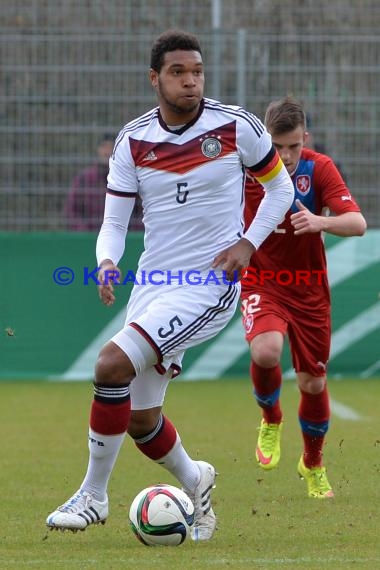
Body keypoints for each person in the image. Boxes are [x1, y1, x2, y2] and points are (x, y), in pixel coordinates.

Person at [46, 30, 294, 540]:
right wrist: (108, 261)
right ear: (155, 78)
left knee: (110, 363)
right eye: (179, 72)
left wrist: (247, 243)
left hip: (210, 285)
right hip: (154, 286)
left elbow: (279, 189)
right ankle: (194, 478)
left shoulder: (235, 125)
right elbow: (114, 221)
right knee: (140, 421)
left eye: (197, 71)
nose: (191, 81)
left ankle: (93, 496)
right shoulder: (133, 140)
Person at [241, 95, 366, 498]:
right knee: (265, 351)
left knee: (313, 383)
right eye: (278, 147)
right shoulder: (243, 170)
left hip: (309, 288)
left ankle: (312, 463)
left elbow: (358, 223)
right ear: (264, 140)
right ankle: (271, 418)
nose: (287, 155)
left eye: (294, 145)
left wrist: (319, 221)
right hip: (262, 280)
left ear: (304, 138)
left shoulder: (318, 167)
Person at [64, 133, 144, 231]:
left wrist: (131, 232)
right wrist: (84, 232)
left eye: (111, 147)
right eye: (104, 147)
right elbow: (71, 211)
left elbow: (142, 210)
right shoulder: (83, 179)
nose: (107, 151)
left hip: (123, 236)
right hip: (88, 237)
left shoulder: (130, 177)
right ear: (98, 150)